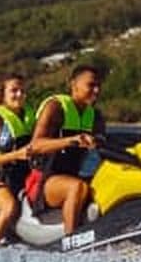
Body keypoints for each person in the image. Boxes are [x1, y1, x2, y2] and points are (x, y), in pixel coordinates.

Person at [27, 64, 105, 234]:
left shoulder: (95, 116)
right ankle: (71, 241)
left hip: (70, 177)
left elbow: (106, 146)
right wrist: (71, 141)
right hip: (43, 181)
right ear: (73, 84)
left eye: (99, 86)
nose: (96, 90)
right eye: (91, 85)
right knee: (77, 187)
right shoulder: (56, 107)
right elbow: (35, 146)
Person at [0, 74, 36, 246]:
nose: (19, 94)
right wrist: (17, 155)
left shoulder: (30, 118)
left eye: (23, 91)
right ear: (3, 94)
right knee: (9, 207)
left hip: (22, 180)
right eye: (14, 90)